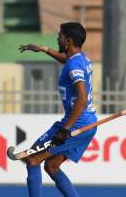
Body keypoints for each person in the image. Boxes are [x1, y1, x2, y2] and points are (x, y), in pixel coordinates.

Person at [19, 22, 97, 197]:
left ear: (68, 41)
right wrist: (44, 49)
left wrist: (65, 129)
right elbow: (66, 60)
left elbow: (82, 98)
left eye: (60, 36)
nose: (57, 38)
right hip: (86, 122)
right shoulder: (80, 59)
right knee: (51, 166)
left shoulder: (74, 65)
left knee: (33, 160)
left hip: (77, 124)